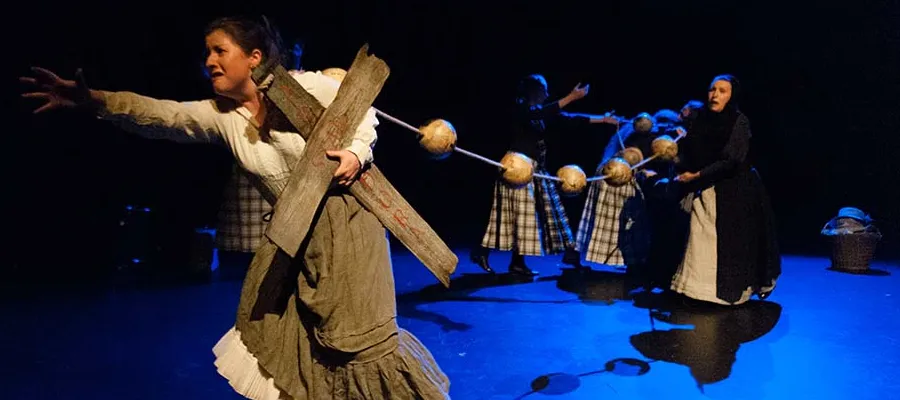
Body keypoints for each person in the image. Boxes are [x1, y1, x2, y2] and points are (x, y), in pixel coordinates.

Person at [20, 15, 450, 399]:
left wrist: (356, 153)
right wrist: (93, 100)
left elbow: (363, 113)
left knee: (358, 343)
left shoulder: (306, 86)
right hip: (297, 240)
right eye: (207, 52)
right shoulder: (224, 117)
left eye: (220, 50)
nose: (209, 61)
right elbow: (163, 116)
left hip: (350, 228)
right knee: (306, 342)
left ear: (253, 56)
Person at [471, 74, 618, 276]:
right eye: (544, 90)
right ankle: (487, 252)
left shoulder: (540, 113)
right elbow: (537, 114)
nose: (547, 94)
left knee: (551, 211)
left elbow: (568, 119)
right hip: (517, 168)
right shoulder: (520, 106)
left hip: (536, 168)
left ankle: (567, 254)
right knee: (513, 216)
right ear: (534, 90)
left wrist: (602, 119)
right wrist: (571, 97)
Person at [668, 74, 781, 305]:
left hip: (735, 190)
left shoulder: (739, 121)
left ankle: (728, 295)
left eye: (722, 91)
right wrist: (675, 156)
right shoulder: (700, 119)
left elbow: (732, 160)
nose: (715, 95)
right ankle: (698, 292)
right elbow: (691, 151)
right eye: (712, 90)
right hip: (705, 188)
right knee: (700, 237)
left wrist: (697, 175)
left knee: (729, 241)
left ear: (732, 96)